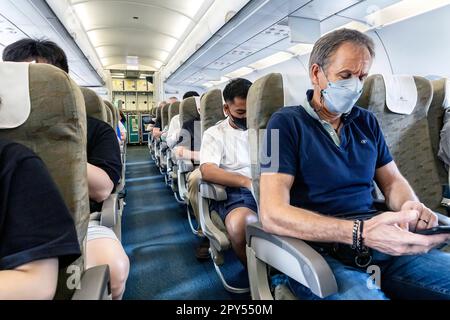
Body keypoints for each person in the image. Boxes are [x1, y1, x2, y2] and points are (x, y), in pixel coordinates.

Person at [260, 28, 450, 300]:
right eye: (345, 76)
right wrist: (359, 232)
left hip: (380, 247)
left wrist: (410, 205)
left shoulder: (366, 121)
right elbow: (271, 212)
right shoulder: (283, 125)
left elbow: (393, 181)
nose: (356, 86)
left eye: (362, 77)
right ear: (316, 74)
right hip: (319, 255)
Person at [3, 38, 129, 300]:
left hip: (81, 223)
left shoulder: (96, 130)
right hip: (9, 232)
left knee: (114, 270)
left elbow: (104, 188)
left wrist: (60, 148)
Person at [0, 140, 80, 300]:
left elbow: (103, 190)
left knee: (113, 264)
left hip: (92, 216)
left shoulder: (15, 162)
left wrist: (66, 155)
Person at [200, 78, 258, 265]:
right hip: (236, 193)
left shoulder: (265, 129)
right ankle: (258, 279)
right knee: (242, 224)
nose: (246, 117)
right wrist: (245, 181)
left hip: (269, 185)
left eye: (251, 111)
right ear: (226, 109)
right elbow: (207, 170)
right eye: (240, 112)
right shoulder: (215, 134)